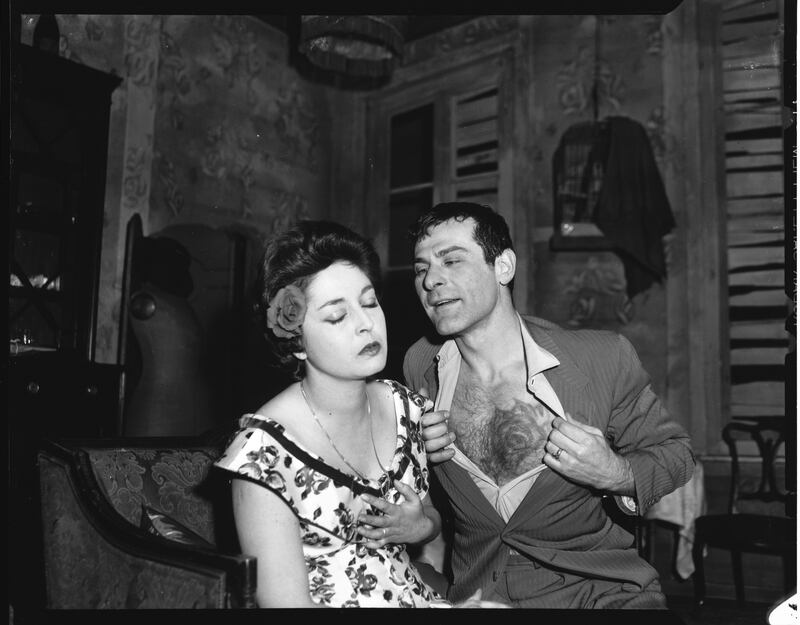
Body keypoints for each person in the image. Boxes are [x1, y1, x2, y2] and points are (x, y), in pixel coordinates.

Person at [401, 202, 695, 609]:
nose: (432, 279)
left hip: (602, 597)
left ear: (503, 267)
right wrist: (417, 448)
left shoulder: (603, 358)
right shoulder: (421, 365)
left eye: (452, 260)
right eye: (420, 269)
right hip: (481, 598)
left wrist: (617, 472)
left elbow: (677, 454)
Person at [213, 220, 507, 609]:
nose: (366, 323)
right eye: (337, 316)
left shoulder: (405, 408)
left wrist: (421, 525)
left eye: (369, 303)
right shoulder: (263, 455)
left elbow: (429, 520)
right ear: (297, 342)